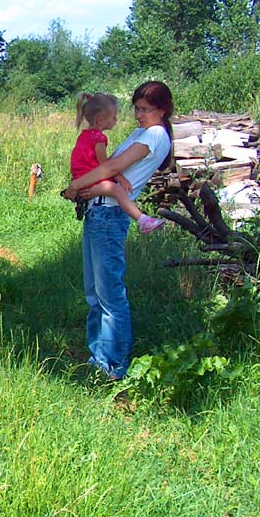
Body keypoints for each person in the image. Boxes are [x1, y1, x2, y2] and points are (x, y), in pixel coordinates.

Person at [64, 80, 175, 380]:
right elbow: (110, 165)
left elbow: (112, 168)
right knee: (95, 293)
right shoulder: (143, 131)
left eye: (145, 110)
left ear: (162, 110)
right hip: (99, 210)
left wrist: (77, 184)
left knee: (110, 295)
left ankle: (112, 367)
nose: (139, 115)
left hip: (110, 216)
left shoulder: (154, 135)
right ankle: (98, 357)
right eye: (136, 109)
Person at [68, 92, 164, 235]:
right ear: (100, 120)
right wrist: (121, 179)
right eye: (113, 117)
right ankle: (142, 220)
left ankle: (142, 219)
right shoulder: (98, 138)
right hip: (90, 181)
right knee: (118, 190)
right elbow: (105, 165)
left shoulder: (84, 135)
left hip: (82, 177)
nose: (116, 120)